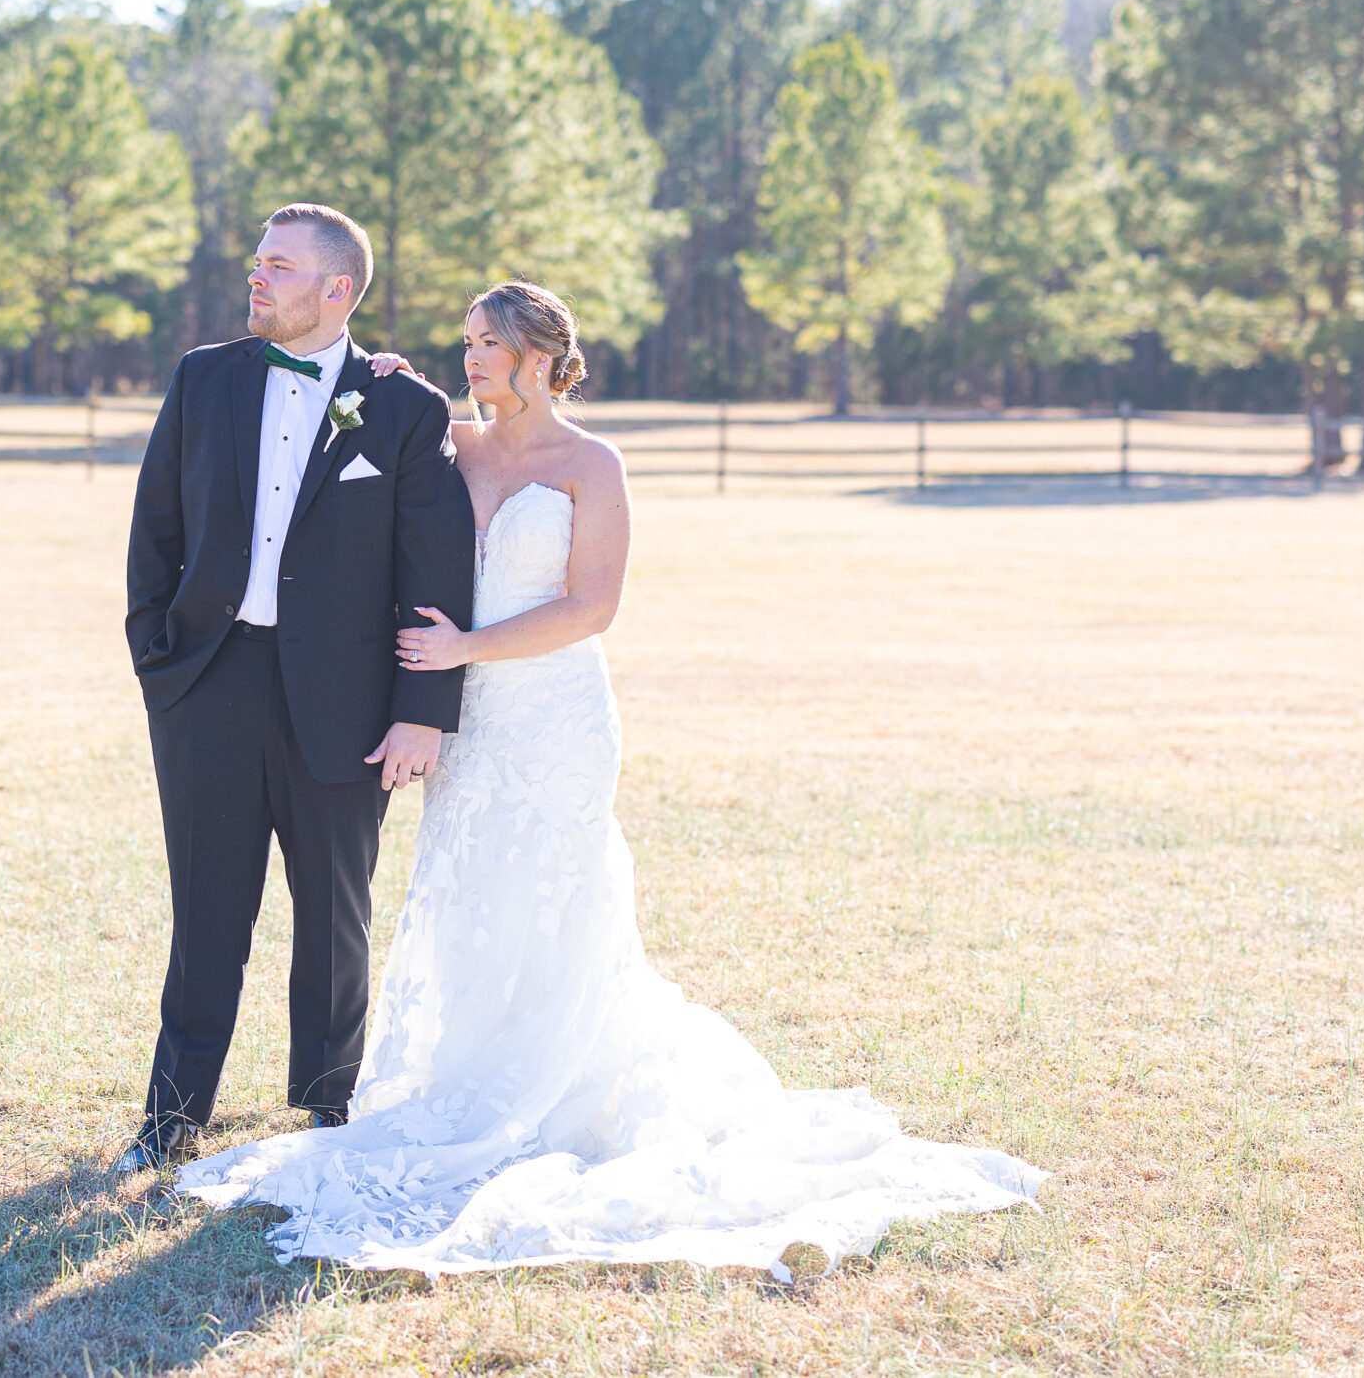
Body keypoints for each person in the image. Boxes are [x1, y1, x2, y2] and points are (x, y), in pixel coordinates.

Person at [173, 280, 1044, 1277]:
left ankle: (561, 1090)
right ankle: (473, 1082)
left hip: (553, 716)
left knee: (556, 894)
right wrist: (384, 382)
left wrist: (467, 644)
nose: (472, 359)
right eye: (464, 343)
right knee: (470, 897)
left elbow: (593, 606)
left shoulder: (592, 465)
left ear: (542, 355)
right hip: (469, 724)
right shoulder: (447, 443)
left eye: (489, 343)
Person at [118, 204, 476, 1174]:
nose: (256, 279)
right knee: (206, 913)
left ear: (338, 289)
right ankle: (170, 1117)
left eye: (278, 267)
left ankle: (329, 1112)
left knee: (334, 914)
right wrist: (159, 661)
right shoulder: (204, 379)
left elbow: (435, 572)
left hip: (348, 701)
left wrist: (421, 712)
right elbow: (155, 528)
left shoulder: (402, 407)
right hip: (207, 684)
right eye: (256, 265)